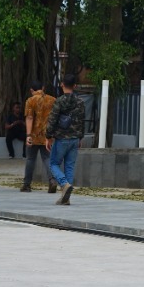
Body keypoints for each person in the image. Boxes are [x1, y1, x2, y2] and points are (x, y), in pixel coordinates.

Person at [45, 73, 85, 206]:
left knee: (53, 164)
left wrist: (48, 136)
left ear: (62, 84)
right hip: (74, 139)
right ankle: (66, 197)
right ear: (75, 86)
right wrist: (80, 137)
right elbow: (82, 121)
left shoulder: (59, 101)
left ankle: (64, 183)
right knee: (69, 166)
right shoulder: (80, 102)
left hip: (61, 138)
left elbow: (52, 120)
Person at [21, 80, 57, 193]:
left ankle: (27, 184)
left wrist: (28, 135)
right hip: (48, 135)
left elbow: (30, 118)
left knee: (31, 159)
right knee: (47, 158)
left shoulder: (30, 101)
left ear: (31, 90)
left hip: (34, 135)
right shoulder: (52, 100)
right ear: (43, 87)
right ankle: (52, 180)